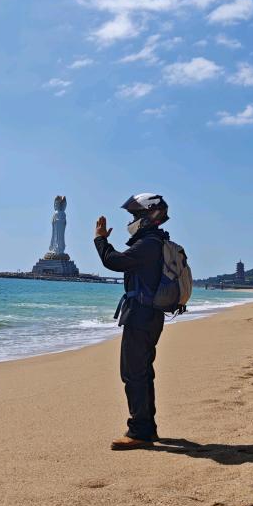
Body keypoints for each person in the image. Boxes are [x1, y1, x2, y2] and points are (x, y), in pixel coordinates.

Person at [94, 193, 170, 451]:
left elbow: (114, 262)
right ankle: (148, 428)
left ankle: (139, 431)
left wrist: (100, 240)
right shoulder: (156, 242)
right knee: (143, 372)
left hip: (141, 315)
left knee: (133, 374)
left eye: (136, 215)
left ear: (150, 215)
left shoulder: (149, 244)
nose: (133, 220)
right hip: (150, 314)